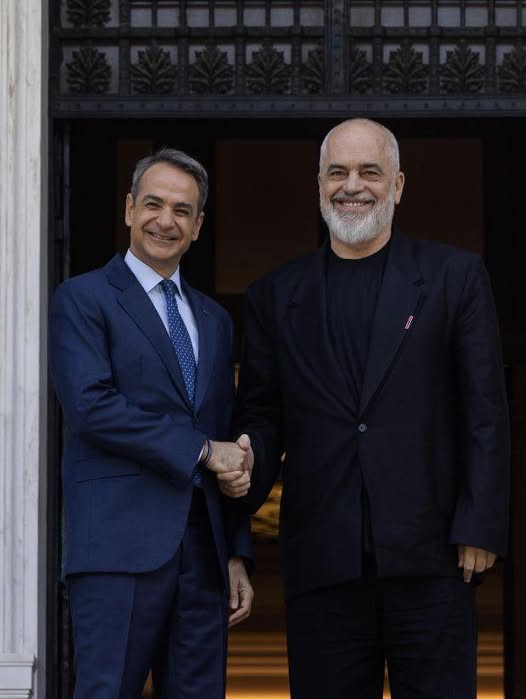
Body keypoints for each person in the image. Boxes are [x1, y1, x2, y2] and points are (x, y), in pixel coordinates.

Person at [228, 118, 510, 698]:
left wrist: (480, 524)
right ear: (319, 185)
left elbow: (485, 412)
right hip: (321, 561)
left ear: (398, 186)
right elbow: (262, 413)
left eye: (369, 172)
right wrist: (248, 459)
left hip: (433, 556)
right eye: (338, 172)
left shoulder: (455, 278)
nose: (352, 185)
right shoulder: (274, 295)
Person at [49, 148, 254, 699]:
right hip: (117, 548)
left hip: (203, 554)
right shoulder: (83, 298)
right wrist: (203, 451)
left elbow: (225, 431)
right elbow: (91, 406)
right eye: (153, 204)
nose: (166, 220)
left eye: (182, 210)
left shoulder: (214, 319)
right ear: (128, 209)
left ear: (198, 225)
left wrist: (235, 552)